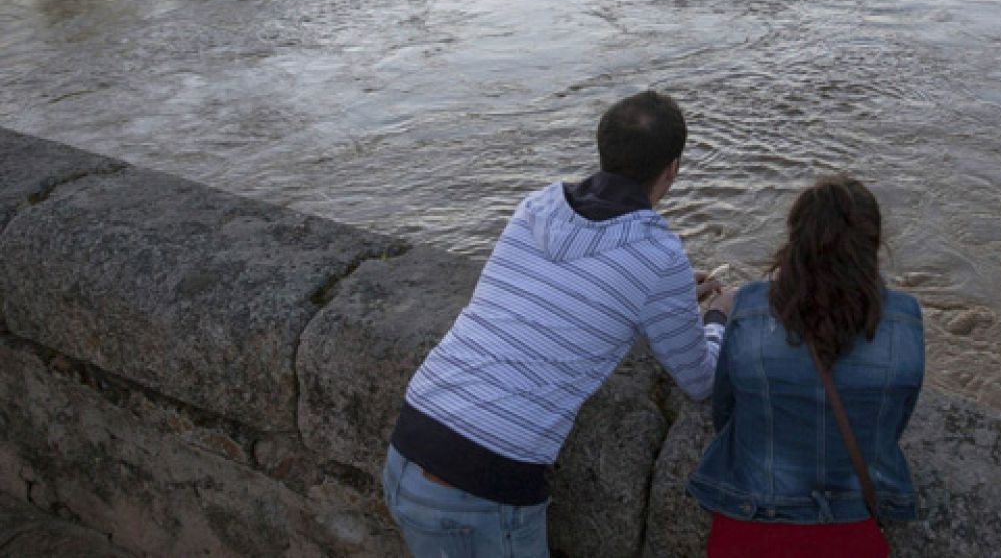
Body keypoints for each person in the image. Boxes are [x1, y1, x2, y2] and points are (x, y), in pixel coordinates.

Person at [383, 90, 733, 557]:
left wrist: (664, 300)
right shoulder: (657, 254)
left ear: (602, 148)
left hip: (408, 444)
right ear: (672, 168)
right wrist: (716, 318)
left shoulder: (538, 207)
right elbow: (701, 381)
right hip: (479, 487)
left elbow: (556, 293)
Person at [688, 177, 925, 557]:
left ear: (795, 241)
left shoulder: (748, 308)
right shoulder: (905, 318)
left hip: (749, 522)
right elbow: (894, 422)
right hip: (851, 526)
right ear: (874, 245)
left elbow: (725, 413)